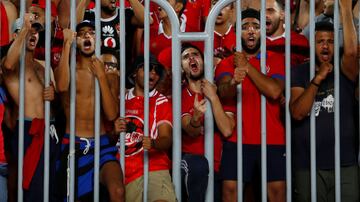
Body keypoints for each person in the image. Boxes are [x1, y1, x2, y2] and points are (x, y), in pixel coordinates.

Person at [290, 0, 359, 200]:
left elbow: (352, 52)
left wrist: (345, 9)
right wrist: (317, 79)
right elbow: (297, 112)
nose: (326, 46)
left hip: (345, 163)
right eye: (320, 41)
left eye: (330, 41)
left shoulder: (344, 69)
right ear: (312, 45)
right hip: (308, 165)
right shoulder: (299, 72)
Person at [215, 8, 286, 202]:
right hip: (238, 138)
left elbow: (274, 91)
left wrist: (247, 66)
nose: (251, 31)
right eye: (245, 27)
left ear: (263, 31)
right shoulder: (226, 63)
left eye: (256, 26)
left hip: (271, 137)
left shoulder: (276, 59)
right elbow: (223, 91)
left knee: (277, 193)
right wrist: (232, 83)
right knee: (230, 191)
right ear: (238, 33)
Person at [55, 20, 124, 201]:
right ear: (77, 40)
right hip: (74, 145)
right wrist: (66, 44)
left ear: (99, 41)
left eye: (92, 32)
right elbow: (61, 87)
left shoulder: (107, 73)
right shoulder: (69, 70)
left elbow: (111, 114)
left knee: (117, 190)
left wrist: (101, 75)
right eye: (82, 33)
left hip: (101, 144)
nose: (87, 35)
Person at [1, 13, 58, 201]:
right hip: (28, 130)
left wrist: (53, 96)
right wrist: (24, 28)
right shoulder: (12, 66)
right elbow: (7, 66)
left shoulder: (43, 66)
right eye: (28, 31)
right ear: (16, 36)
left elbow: (57, 105)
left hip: (49, 129)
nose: (33, 35)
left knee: (50, 189)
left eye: (36, 31)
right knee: (33, 188)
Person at [114, 54, 176, 202]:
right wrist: (114, 132)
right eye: (148, 68)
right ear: (135, 73)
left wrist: (154, 143)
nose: (153, 73)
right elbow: (107, 137)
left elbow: (167, 138)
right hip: (126, 171)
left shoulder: (161, 101)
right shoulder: (120, 99)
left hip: (154, 167)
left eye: (156, 70)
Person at [180, 43, 235, 202]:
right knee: (199, 165)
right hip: (190, 162)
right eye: (185, 57)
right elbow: (191, 130)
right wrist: (196, 117)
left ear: (204, 61)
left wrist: (213, 97)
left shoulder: (221, 92)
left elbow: (226, 130)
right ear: (182, 68)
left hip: (217, 166)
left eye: (195, 54)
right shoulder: (181, 95)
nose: (191, 58)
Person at [265, 0, 309, 66]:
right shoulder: (255, 41)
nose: (265, 15)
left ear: (282, 15)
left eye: (270, 10)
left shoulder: (300, 41)